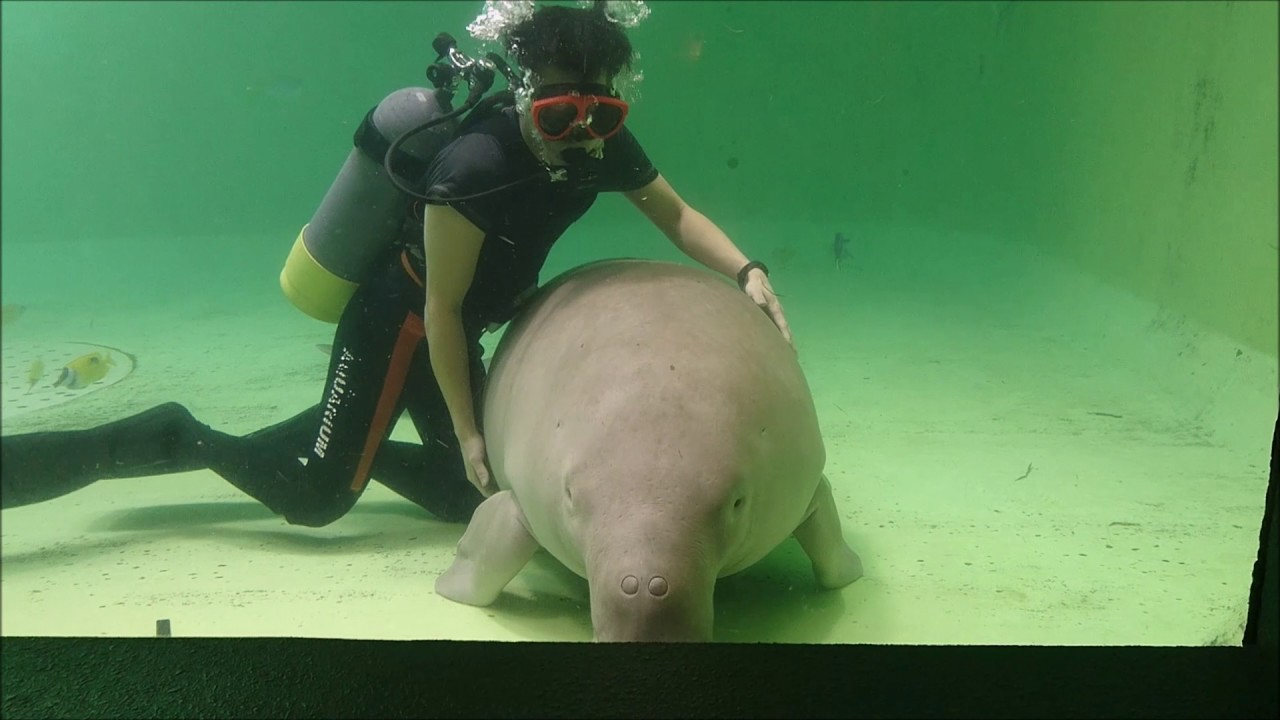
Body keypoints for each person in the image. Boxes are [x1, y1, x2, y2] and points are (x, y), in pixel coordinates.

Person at [0, 3, 791, 527]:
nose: (578, 134)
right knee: (317, 498)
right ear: (524, 99)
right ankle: (184, 435)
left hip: (449, 329)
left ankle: (348, 438)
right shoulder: (472, 169)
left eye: (600, 114)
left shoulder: (599, 147)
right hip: (401, 319)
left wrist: (747, 270)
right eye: (555, 114)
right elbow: (442, 310)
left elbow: (680, 218)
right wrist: (472, 434)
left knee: (464, 496)